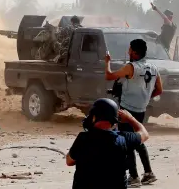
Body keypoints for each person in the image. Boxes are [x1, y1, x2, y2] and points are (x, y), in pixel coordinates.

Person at [105, 39, 163, 187]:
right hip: (141, 109)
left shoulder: (131, 67)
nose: (128, 51)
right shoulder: (153, 68)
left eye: (130, 49)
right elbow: (159, 90)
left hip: (127, 109)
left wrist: (107, 62)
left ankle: (134, 177)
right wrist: (144, 97)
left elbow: (109, 75)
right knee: (138, 140)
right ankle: (148, 173)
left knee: (127, 142)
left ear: (135, 52)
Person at [65, 98, 150, 189]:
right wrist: (130, 118)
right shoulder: (124, 139)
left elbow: (69, 161)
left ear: (94, 117)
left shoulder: (83, 138)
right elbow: (144, 134)